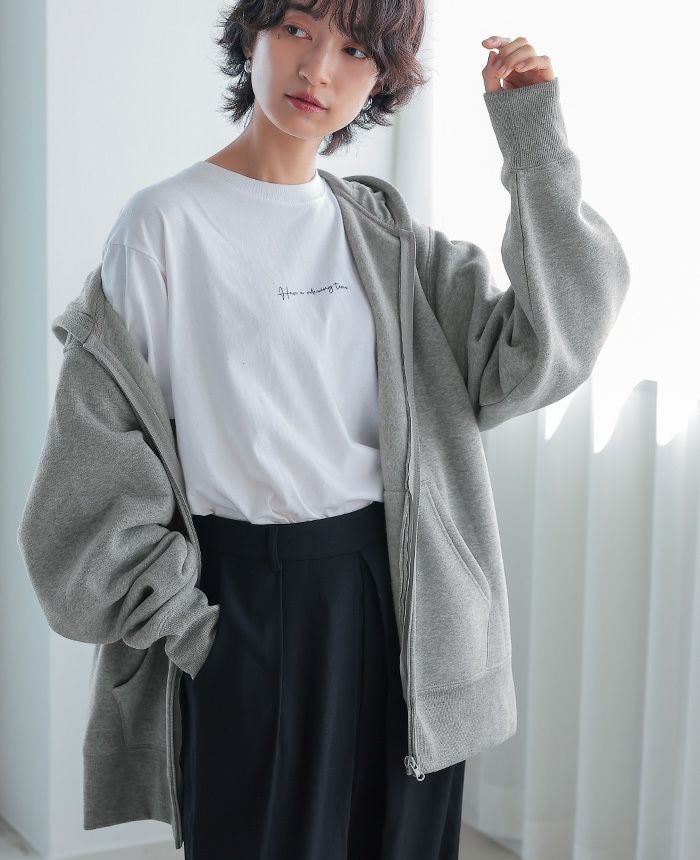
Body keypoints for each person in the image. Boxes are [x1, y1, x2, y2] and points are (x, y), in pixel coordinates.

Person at [17, 0, 630, 857]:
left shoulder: (389, 239)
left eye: (354, 49)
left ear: (383, 80)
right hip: (244, 604)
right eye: (297, 29)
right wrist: (200, 635)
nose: (317, 70)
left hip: (406, 599)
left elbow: (547, 346)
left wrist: (533, 141)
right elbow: (91, 474)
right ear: (252, 35)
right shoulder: (162, 225)